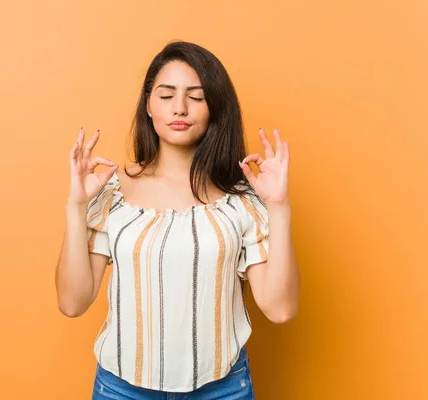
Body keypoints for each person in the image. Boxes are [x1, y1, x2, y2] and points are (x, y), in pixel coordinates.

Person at [56, 41, 300, 399]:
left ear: (215, 107)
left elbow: (280, 309)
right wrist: (76, 207)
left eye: (196, 96)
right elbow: (72, 303)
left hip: (223, 388)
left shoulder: (243, 199)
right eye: (166, 95)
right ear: (149, 107)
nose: (180, 108)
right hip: (122, 389)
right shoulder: (113, 191)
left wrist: (279, 207)